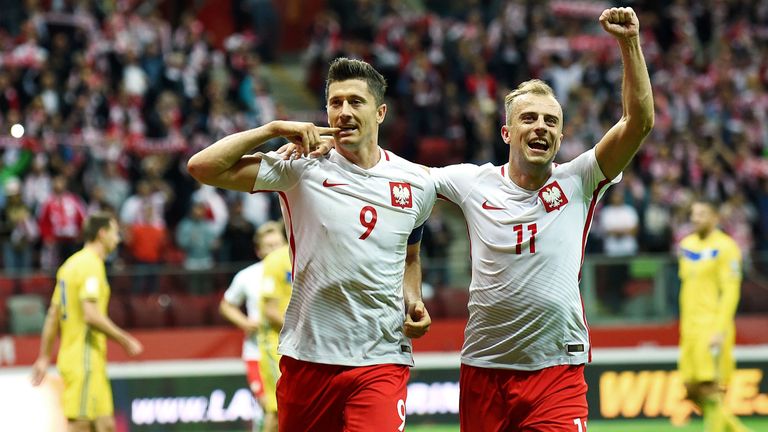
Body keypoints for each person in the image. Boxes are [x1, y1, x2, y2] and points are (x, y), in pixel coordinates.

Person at [428, 8, 654, 431]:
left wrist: (629, 43)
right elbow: (405, 184)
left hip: (557, 372)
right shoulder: (471, 182)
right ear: (507, 133)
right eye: (528, 118)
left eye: (551, 121)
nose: (541, 127)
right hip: (484, 369)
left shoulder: (580, 179)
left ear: (561, 136)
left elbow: (638, 123)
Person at [187, 57, 436, 431]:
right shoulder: (300, 168)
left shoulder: (417, 183)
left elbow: (410, 257)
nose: (344, 112)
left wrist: (413, 300)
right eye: (335, 103)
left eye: (356, 101)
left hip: (381, 359)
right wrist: (271, 128)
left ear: (381, 112)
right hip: (308, 358)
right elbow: (203, 167)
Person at [30, 212, 144, 432]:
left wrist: (44, 356)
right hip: (84, 359)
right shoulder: (91, 266)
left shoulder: (70, 266)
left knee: (105, 425)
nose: (118, 239)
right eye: (115, 233)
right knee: (80, 425)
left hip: (85, 359)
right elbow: (90, 315)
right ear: (102, 234)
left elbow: (53, 314)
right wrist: (125, 339)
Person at [678, 200, 749, 432]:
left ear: (715, 218)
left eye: (702, 214)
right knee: (691, 388)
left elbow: (731, 292)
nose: (695, 218)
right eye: (693, 214)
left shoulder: (727, 247)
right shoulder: (686, 245)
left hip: (712, 326)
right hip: (689, 328)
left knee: (711, 387)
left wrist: (720, 329)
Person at [219, 220, 287, 432]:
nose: (274, 250)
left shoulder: (293, 268)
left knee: (285, 411)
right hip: (258, 353)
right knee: (272, 409)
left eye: (278, 244)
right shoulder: (248, 276)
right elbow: (226, 305)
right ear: (259, 251)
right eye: (269, 246)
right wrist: (246, 323)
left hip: (290, 350)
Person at [257, 243, 292, 432]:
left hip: (306, 344)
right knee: (276, 407)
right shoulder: (275, 261)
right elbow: (270, 311)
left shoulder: (311, 252)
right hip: (277, 344)